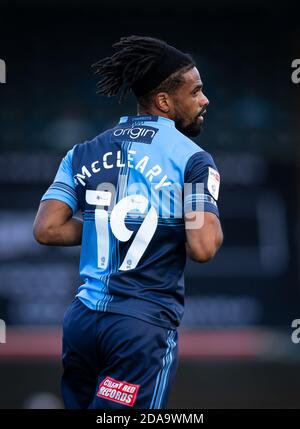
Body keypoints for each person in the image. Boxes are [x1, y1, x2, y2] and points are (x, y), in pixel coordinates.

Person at [33, 35, 223, 409]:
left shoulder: (82, 151)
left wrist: (111, 222)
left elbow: (47, 228)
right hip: (141, 326)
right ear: (165, 101)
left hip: (82, 324)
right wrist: (167, 221)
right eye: (196, 92)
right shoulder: (194, 160)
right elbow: (203, 247)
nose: (205, 100)